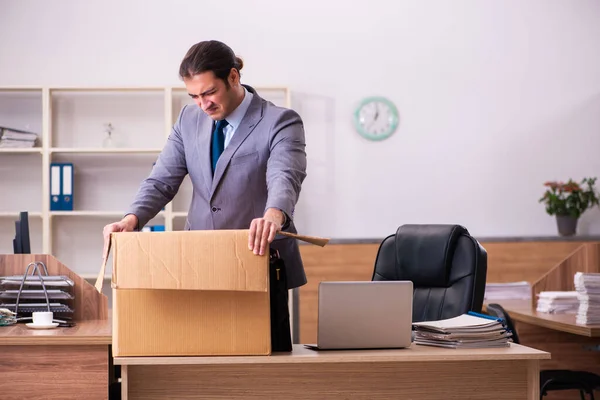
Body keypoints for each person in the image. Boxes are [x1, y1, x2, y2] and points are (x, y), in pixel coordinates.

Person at [102, 39, 308, 291]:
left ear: (233, 77)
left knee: (264, 332)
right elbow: (161, 181)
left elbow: (285, 175)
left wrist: (274, 214)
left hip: (259, 259)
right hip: (199, 260)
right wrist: (130, 220)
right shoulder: (188, 119)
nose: (203, 104)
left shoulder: (279, 121)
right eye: (195, 96)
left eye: (210, 92)